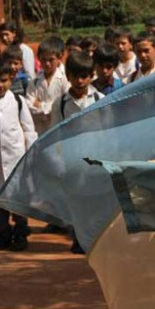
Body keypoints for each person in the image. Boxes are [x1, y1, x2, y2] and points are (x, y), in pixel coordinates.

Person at [0, 58, 37, 251]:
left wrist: (30, 154)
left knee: (18, 201)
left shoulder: (17, 101)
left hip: (16, 160)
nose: (0, 85)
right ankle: (3, 233)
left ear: (11, 79)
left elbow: (28, 129)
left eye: (4, 80)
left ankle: (21, 233)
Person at [51, 51, 103, 255]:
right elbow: (55, 134)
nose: (80, 81)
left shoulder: (100, 99)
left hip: (95, 160)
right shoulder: (60, 104)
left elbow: (106, 130)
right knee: (76, 202)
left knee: (95, 201)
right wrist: (58, 162)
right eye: (75, 76)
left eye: (84, 76)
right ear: (68, 76)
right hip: (71, 162)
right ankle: (79, 239)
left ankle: (94, 240)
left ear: (91, 76)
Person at [27, 37, 68, 134]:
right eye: (43, 60)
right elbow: (29, 106)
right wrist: (51, 107)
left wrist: (41, 105)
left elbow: (64, 105)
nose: (47, 63)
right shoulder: (34, 82)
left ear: (59, 59)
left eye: (51, 60)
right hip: (40, 130)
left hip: (59, 129)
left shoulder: (64, 80)